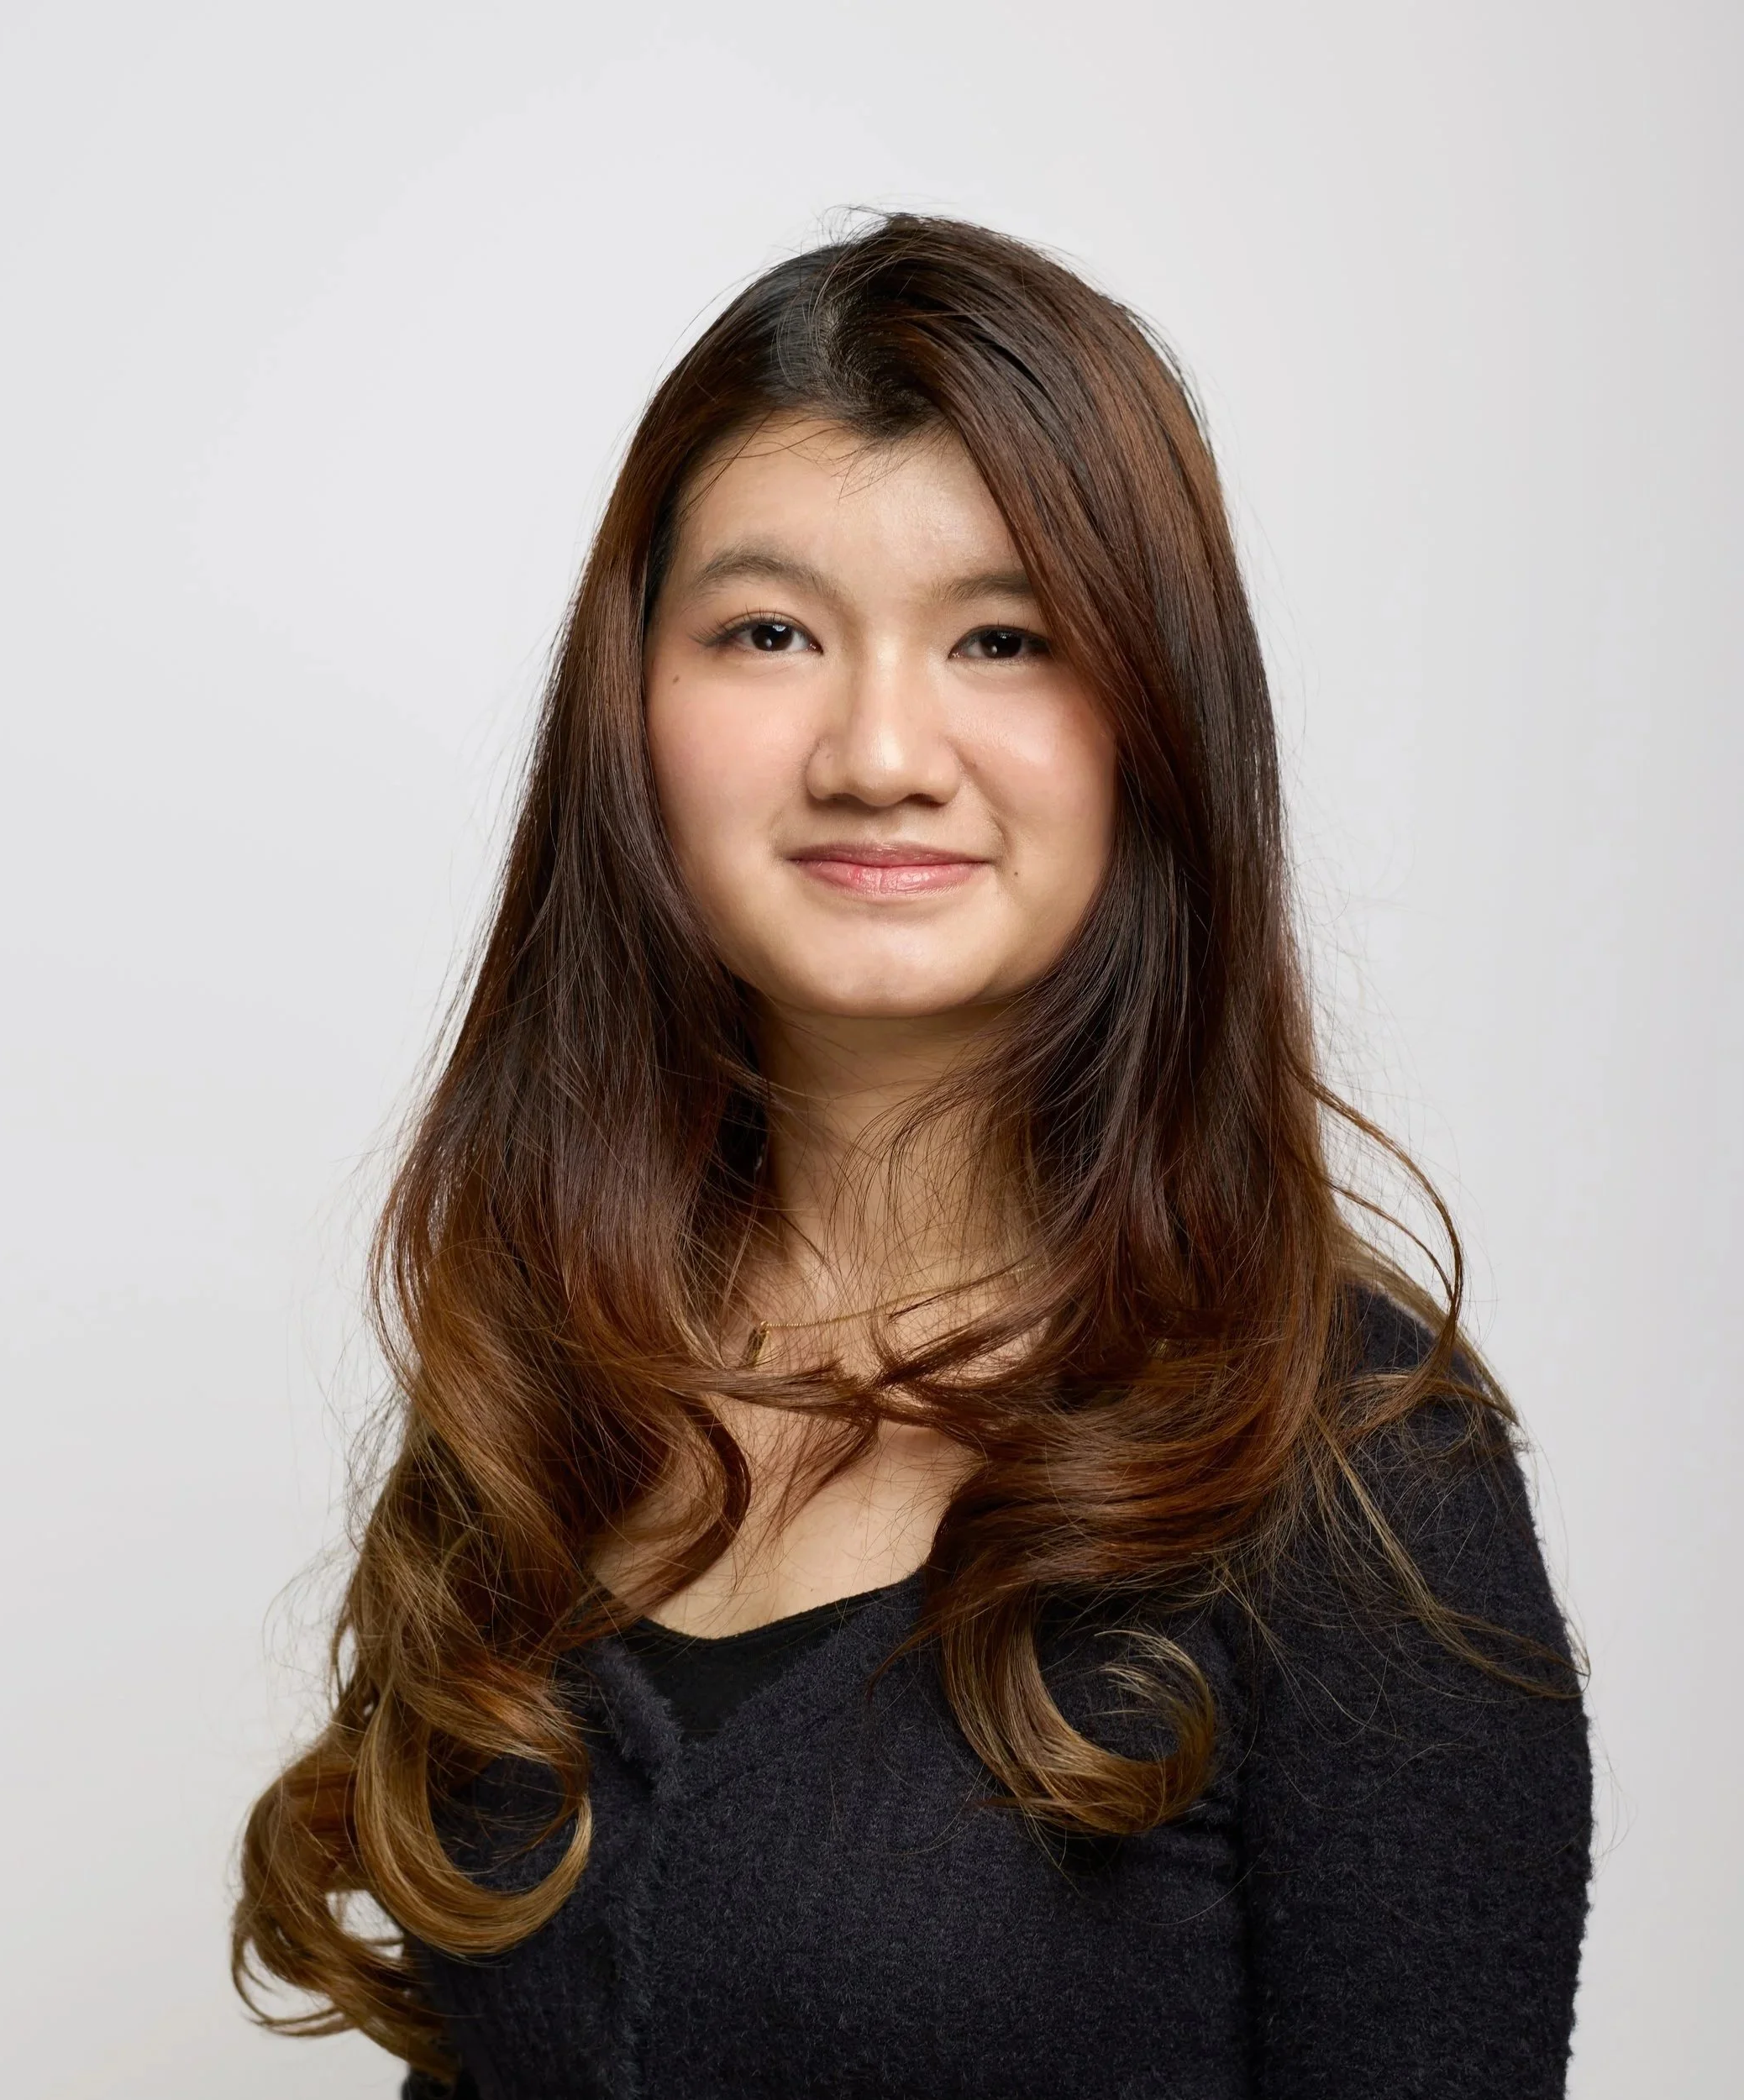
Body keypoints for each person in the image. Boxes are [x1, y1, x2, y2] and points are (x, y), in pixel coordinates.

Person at [232, 213, 1592, 2098]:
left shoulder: (1357, 1473)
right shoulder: (548, 1395)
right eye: (767, 631)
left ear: (1155, 727)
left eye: (1003, 636)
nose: (878, 747)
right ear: (631, 712)